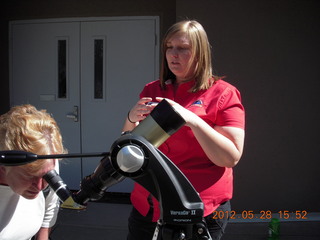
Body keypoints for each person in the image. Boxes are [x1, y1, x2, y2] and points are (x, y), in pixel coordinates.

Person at [123, 20, 245, 240]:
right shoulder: (153, 89)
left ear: (200, 53)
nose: (173, 54)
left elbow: (230, 157)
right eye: (169, 47)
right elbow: (129, 145)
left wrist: (193, 120)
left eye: (183, 48)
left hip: (198, 210)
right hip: (149, 205)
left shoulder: (223, 94)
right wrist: (130, 118)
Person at [0, 104, 66, 240]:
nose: (39, 187)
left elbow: (48, 214)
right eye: (30, 176)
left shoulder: (48, 164)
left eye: (47, 176)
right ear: (3, 166)